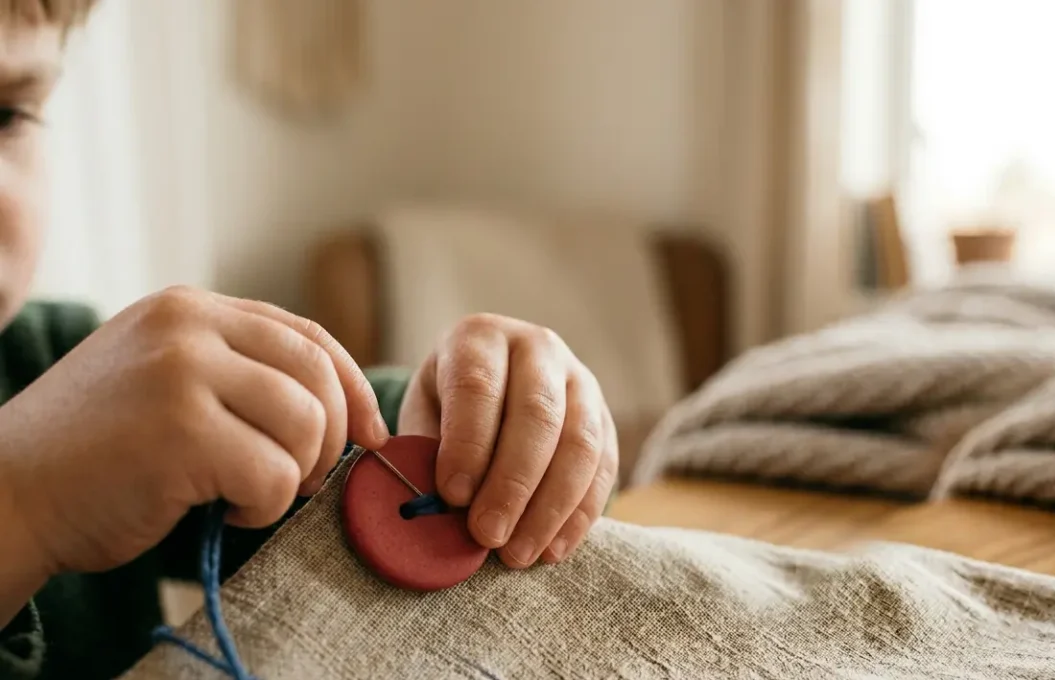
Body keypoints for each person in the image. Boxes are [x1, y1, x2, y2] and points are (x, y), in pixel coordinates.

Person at [0, 3, 618, 678]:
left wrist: (489, 417)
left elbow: (341, 479)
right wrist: (22, 504)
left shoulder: (57, 362)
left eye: (6, 114)